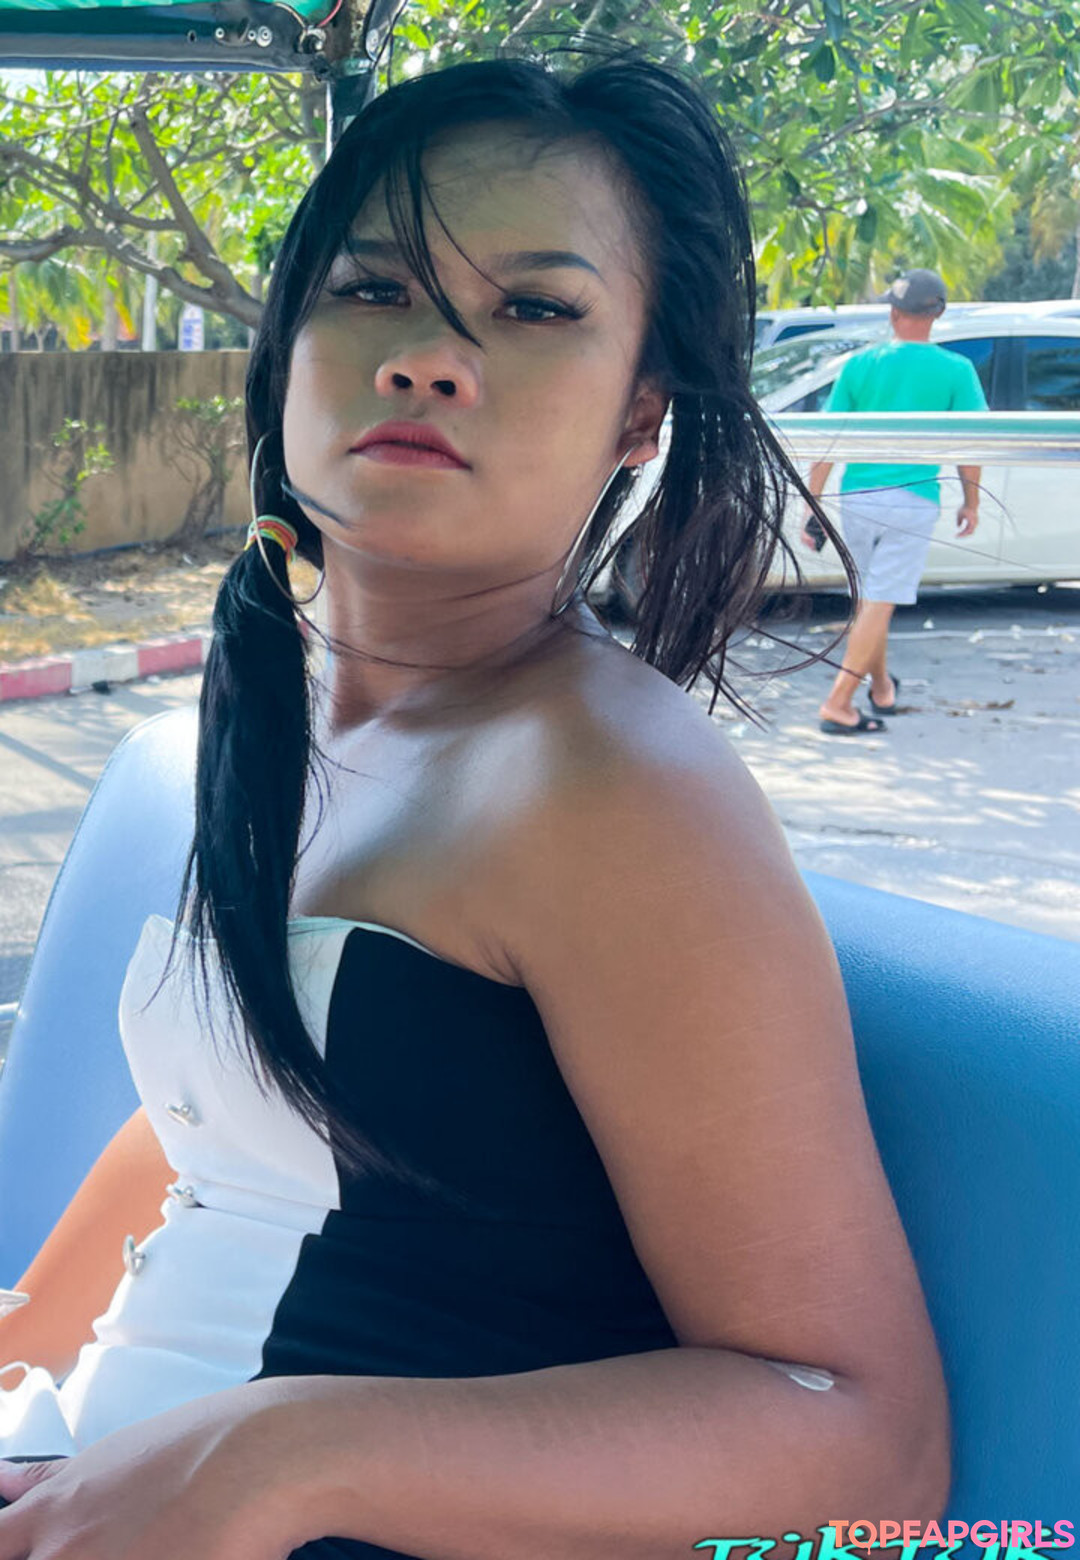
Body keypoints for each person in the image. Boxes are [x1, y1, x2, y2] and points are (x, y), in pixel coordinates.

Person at [0, 47, 949, 1560]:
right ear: (288, 342)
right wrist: (21, 1351)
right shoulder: (287, 700)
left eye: (535, 310)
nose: (428, 358)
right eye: (374, 287)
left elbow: (866, 1444)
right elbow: (227, 1119)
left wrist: (275, 1459)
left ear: (640, 412)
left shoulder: (610, 788)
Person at [800, 268, 989, 735]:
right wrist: (971, 502)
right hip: (912, 499)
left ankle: (882, 687)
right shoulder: (956, 370)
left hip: (857, 497)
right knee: (880, 601)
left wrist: (813, 503)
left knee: (871, 600)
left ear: (892, 312)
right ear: (938, 314)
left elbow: (828, 439)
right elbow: (973, 442)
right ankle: (838, 703)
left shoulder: (860, 365)